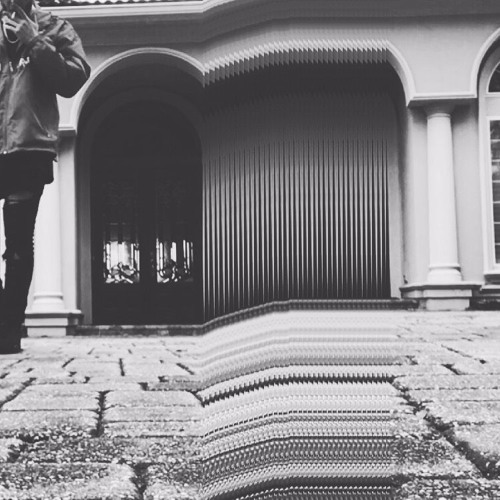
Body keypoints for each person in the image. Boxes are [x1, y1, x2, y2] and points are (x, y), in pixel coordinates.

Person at [0, 0, 90, 354]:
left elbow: (73, 79)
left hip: (28, 148)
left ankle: (7, 333)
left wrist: (34, 40)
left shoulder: (55, 27)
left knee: (18, 246)